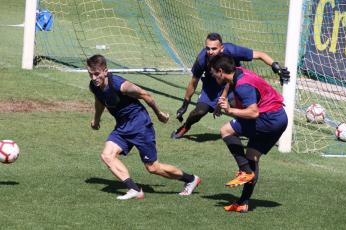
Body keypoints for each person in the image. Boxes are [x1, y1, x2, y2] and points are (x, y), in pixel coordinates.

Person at [87, 54, 201, 200]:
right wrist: (96, 120)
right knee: (107, 155)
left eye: (97, 74)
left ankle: (191, 179)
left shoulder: (120, 85)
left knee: (153, 168)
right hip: (123, 126)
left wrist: (159, 114)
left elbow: (145, 94)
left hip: (140, 125)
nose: (94, 78)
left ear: (105, 71)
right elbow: (100, 101)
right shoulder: (94, 86)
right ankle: (135, 190)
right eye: (90, 74)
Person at [208, 53, 288, 213]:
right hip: (279, 118)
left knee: (226, 131)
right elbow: (228, 85)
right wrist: (222, 99)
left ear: (221, 71)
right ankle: (243, 203)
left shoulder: (243, 86)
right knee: (252, 156)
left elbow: (253, 113)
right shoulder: (236, 72)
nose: (212, 75)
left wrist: (229, 109)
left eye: (213, 73)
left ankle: (245, 171)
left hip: (268, 119)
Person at [171, 32, 289, 139]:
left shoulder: (232, 50)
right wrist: (185, 105)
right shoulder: (202, 59)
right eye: (207, 48)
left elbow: (260, 55)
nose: (210, 52)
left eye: (214, 48)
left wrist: (276, 67)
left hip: (232, 85)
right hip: (211, 89)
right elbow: (193, 82)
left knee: (244, 108)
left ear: (221, 48)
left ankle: (260, 131)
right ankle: (186, 126)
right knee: (200, 111)